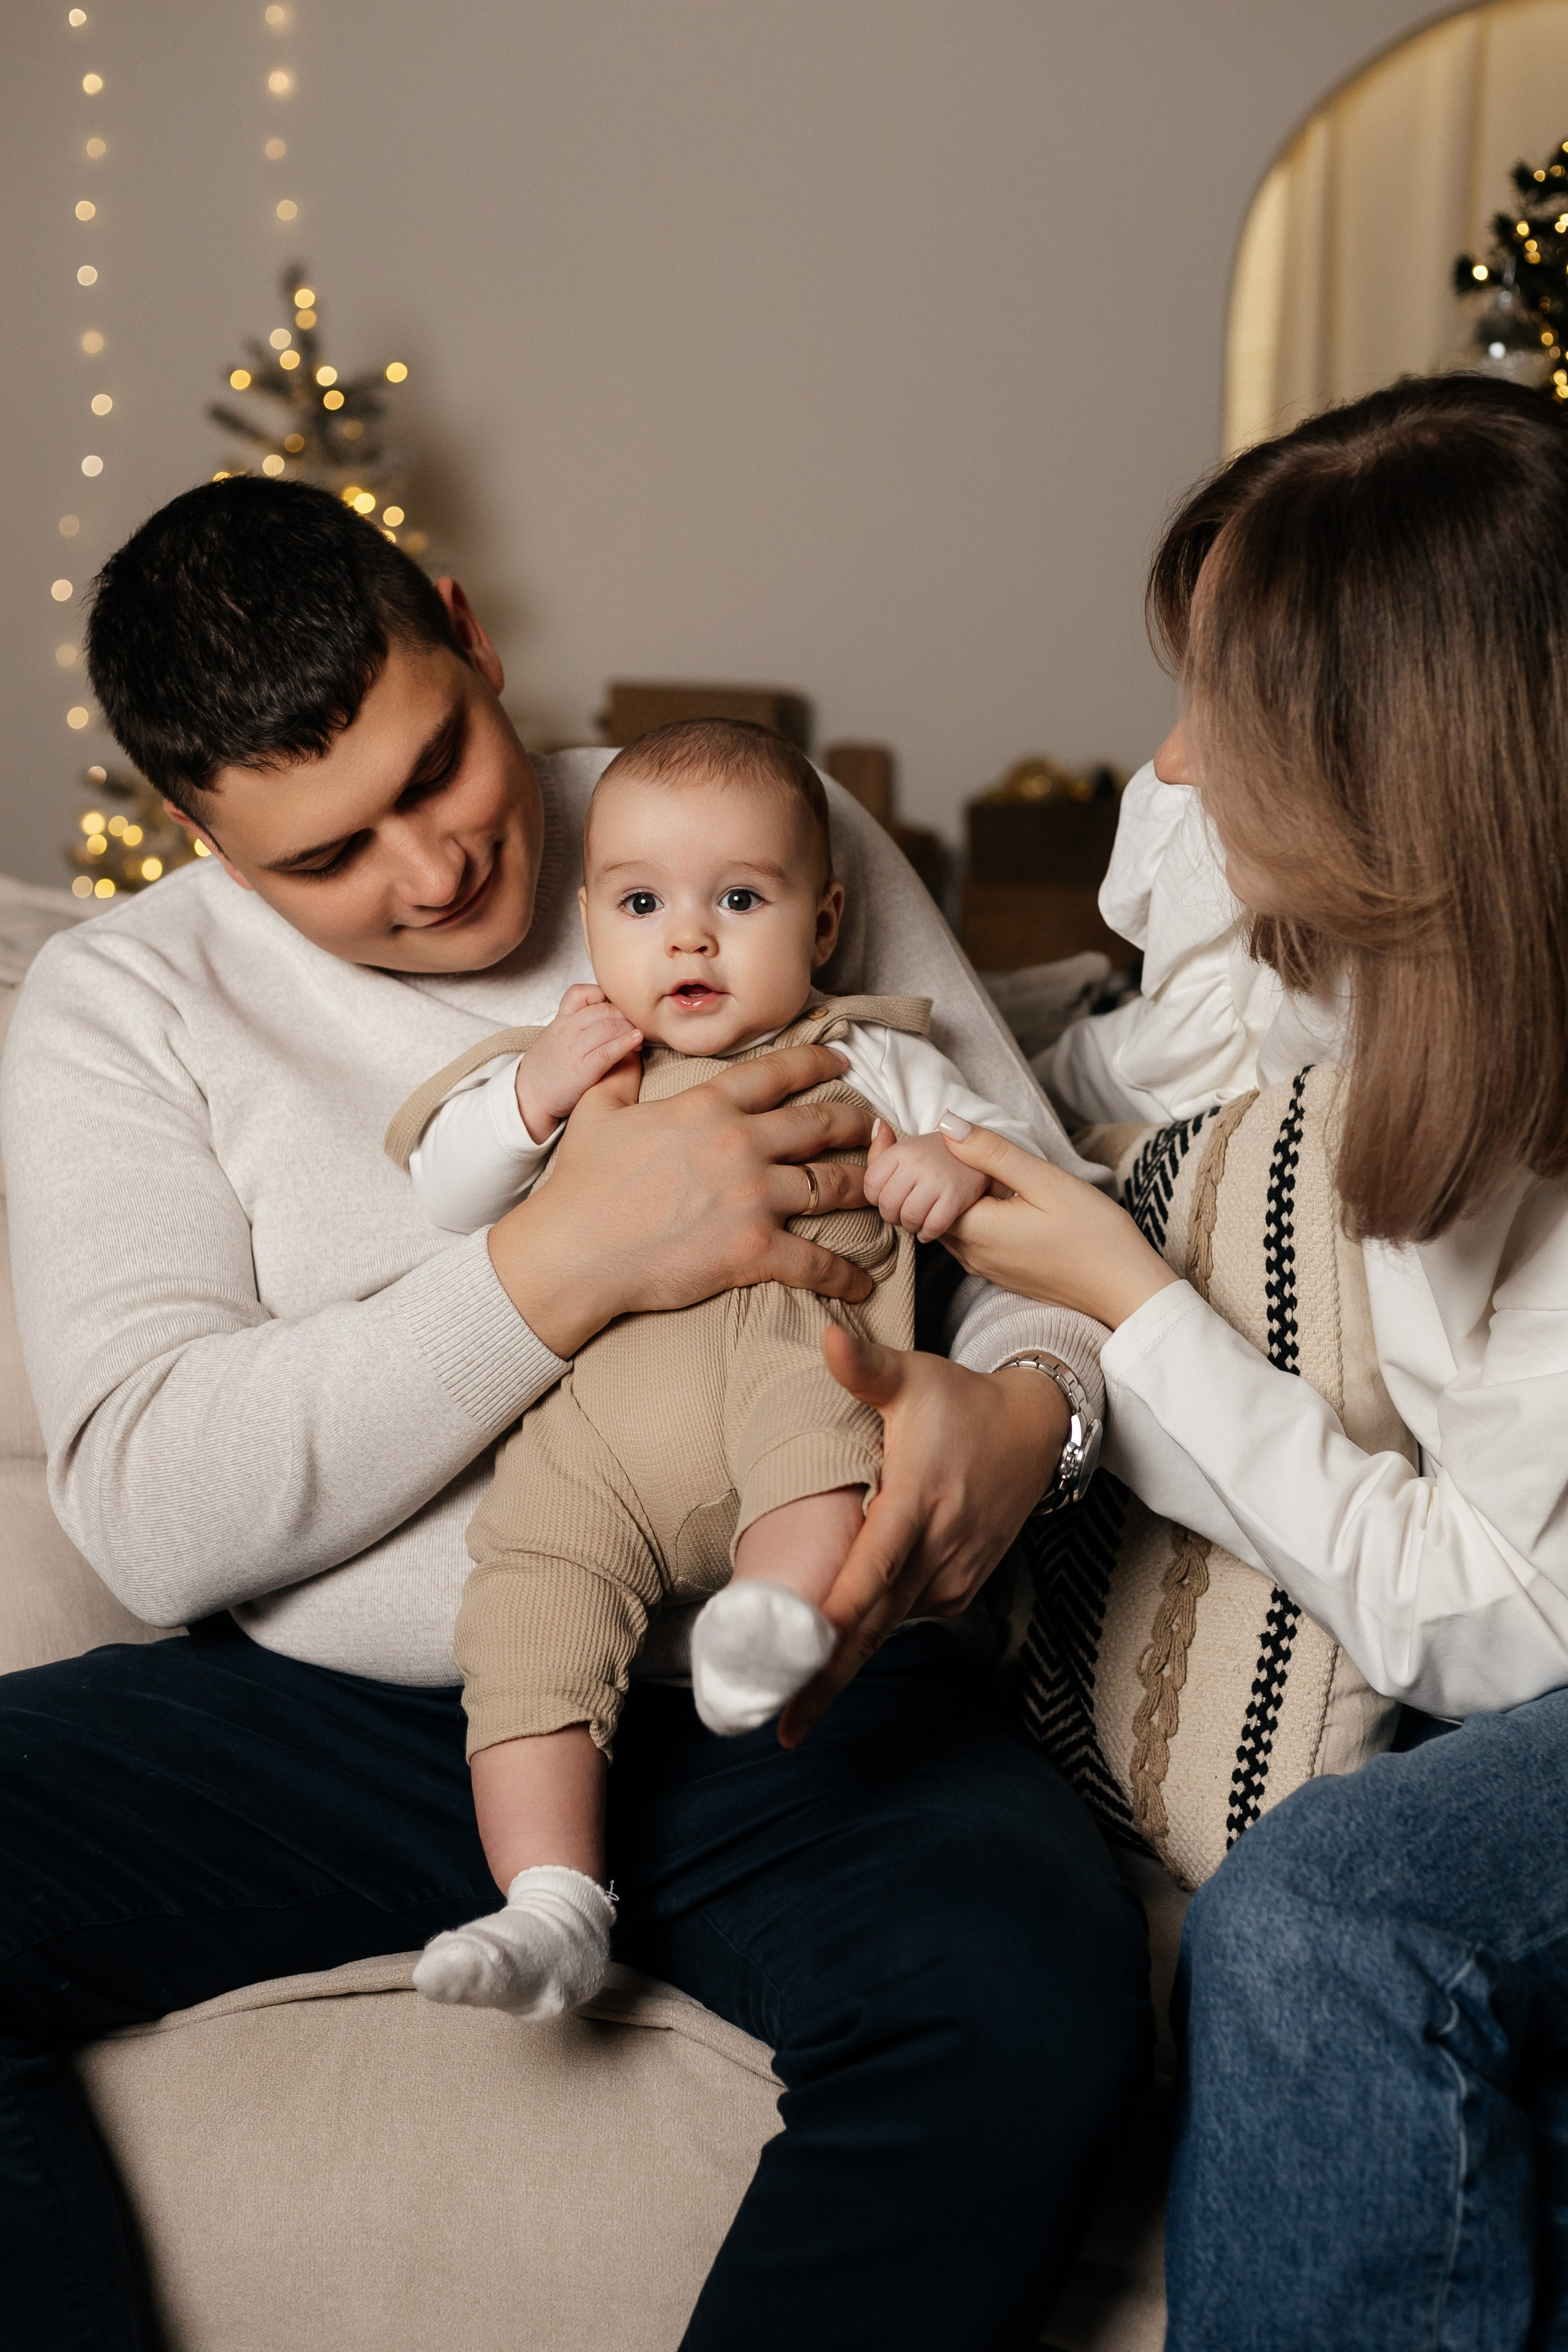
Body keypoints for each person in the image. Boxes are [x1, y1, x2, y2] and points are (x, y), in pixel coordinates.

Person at [0, 475, 1151, 2352]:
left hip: (784, 1693)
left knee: (1018, 1994)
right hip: (337, 1713)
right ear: (189, 832)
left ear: (467, 628)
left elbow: (1013, 1202)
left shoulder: (735, 825)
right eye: (330, 858)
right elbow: (146, 1501)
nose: (435, 870)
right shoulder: (120, 1002)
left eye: (437, 765)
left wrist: (1037, 1412)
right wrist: (564, 1268)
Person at [917, 373, 1568, 2350]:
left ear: (1390, 768)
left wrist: (1130, 1319)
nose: (1173, 772)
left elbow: (1508, 1617)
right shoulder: (1391, 956)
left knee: (1325, 1917)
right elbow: (1143, 1042)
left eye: (1226, 716)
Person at [394, 715, 1049, 2022]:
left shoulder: (874, 1052)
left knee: (822, 1448)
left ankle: (774, 1632)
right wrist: (529, 1099)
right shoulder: (578, 1060)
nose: (685, 939)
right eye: (640, 903)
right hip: (600, 1435)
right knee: (523, 1607)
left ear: (822, 921)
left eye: (737, 899)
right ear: (592, 923)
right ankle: (552, 1902)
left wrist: (951, 1169)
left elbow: (1043, 1186)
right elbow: (443, 1189)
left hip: (787, 1360)